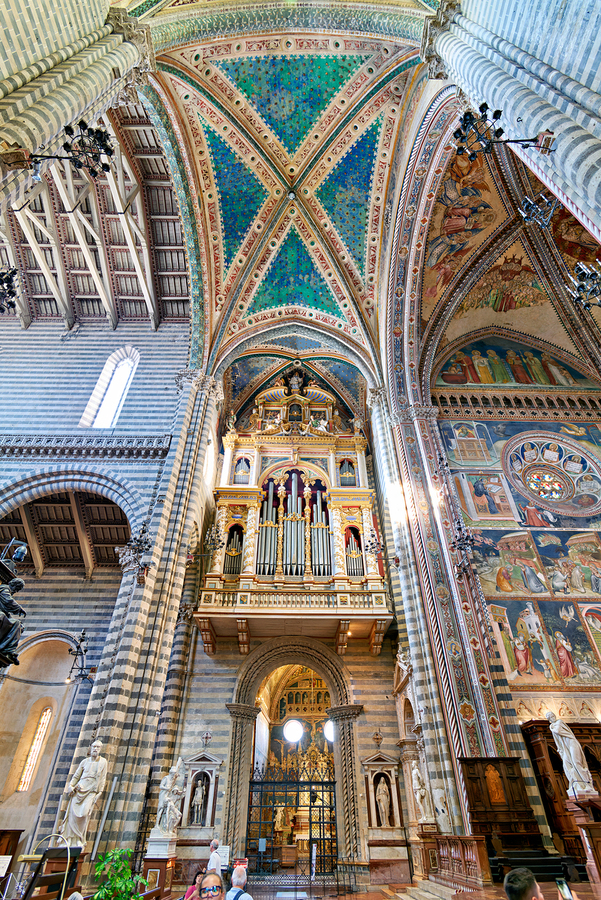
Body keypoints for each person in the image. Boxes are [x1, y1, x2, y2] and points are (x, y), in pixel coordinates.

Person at [59, 740, 108, 850]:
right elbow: (76, 777)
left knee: (84, 814)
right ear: (90, 748)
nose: (95, 749)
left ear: (100, 749)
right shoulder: (84, 762)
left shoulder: (103, 762)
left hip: (91, 792)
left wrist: (99, 793)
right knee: (72, 816)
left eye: (98, 747)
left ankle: (79, 838)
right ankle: (70, 839)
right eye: (94, 746)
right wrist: (71, 787)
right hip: (79, 790)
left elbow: (103, 778)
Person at [0, 577, 26, 665]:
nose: (17, 591)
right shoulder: (4, 588)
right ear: (13, 584)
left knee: (18, 624)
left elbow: (6, 611)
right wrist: (19, 609)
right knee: (2, 617)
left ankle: (9, 651)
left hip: (3, 613)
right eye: (17, 588)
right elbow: (8, 601)